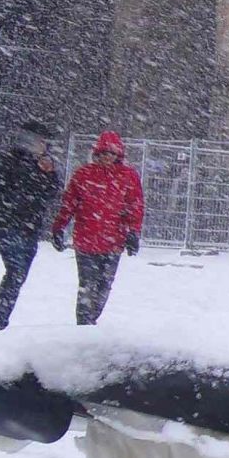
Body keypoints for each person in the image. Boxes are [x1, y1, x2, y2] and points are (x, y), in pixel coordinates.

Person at [50, 130, 146, 324]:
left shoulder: (128, 177)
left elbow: (135, 206)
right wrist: (59, 226)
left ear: (118, 155)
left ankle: (89, 320)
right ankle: (85, 322)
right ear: (97, 154)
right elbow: (69, 203)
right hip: (87, 240)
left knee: (104, 285)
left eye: (111, 153)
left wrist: (133, 231)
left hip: (112, 241)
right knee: (87, 283)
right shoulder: (84, 175)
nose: (107, 157)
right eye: (103, 153)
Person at [0, 125, 65, 330]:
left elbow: (51, 194)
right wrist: (8, 204)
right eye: (43, 142)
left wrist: (49, 175)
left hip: (30, 228)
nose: (46, 147)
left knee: (19, 275)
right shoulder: (7, 160)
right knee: (15, 271)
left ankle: (0, 320)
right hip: (7, 225)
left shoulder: (44, 166)